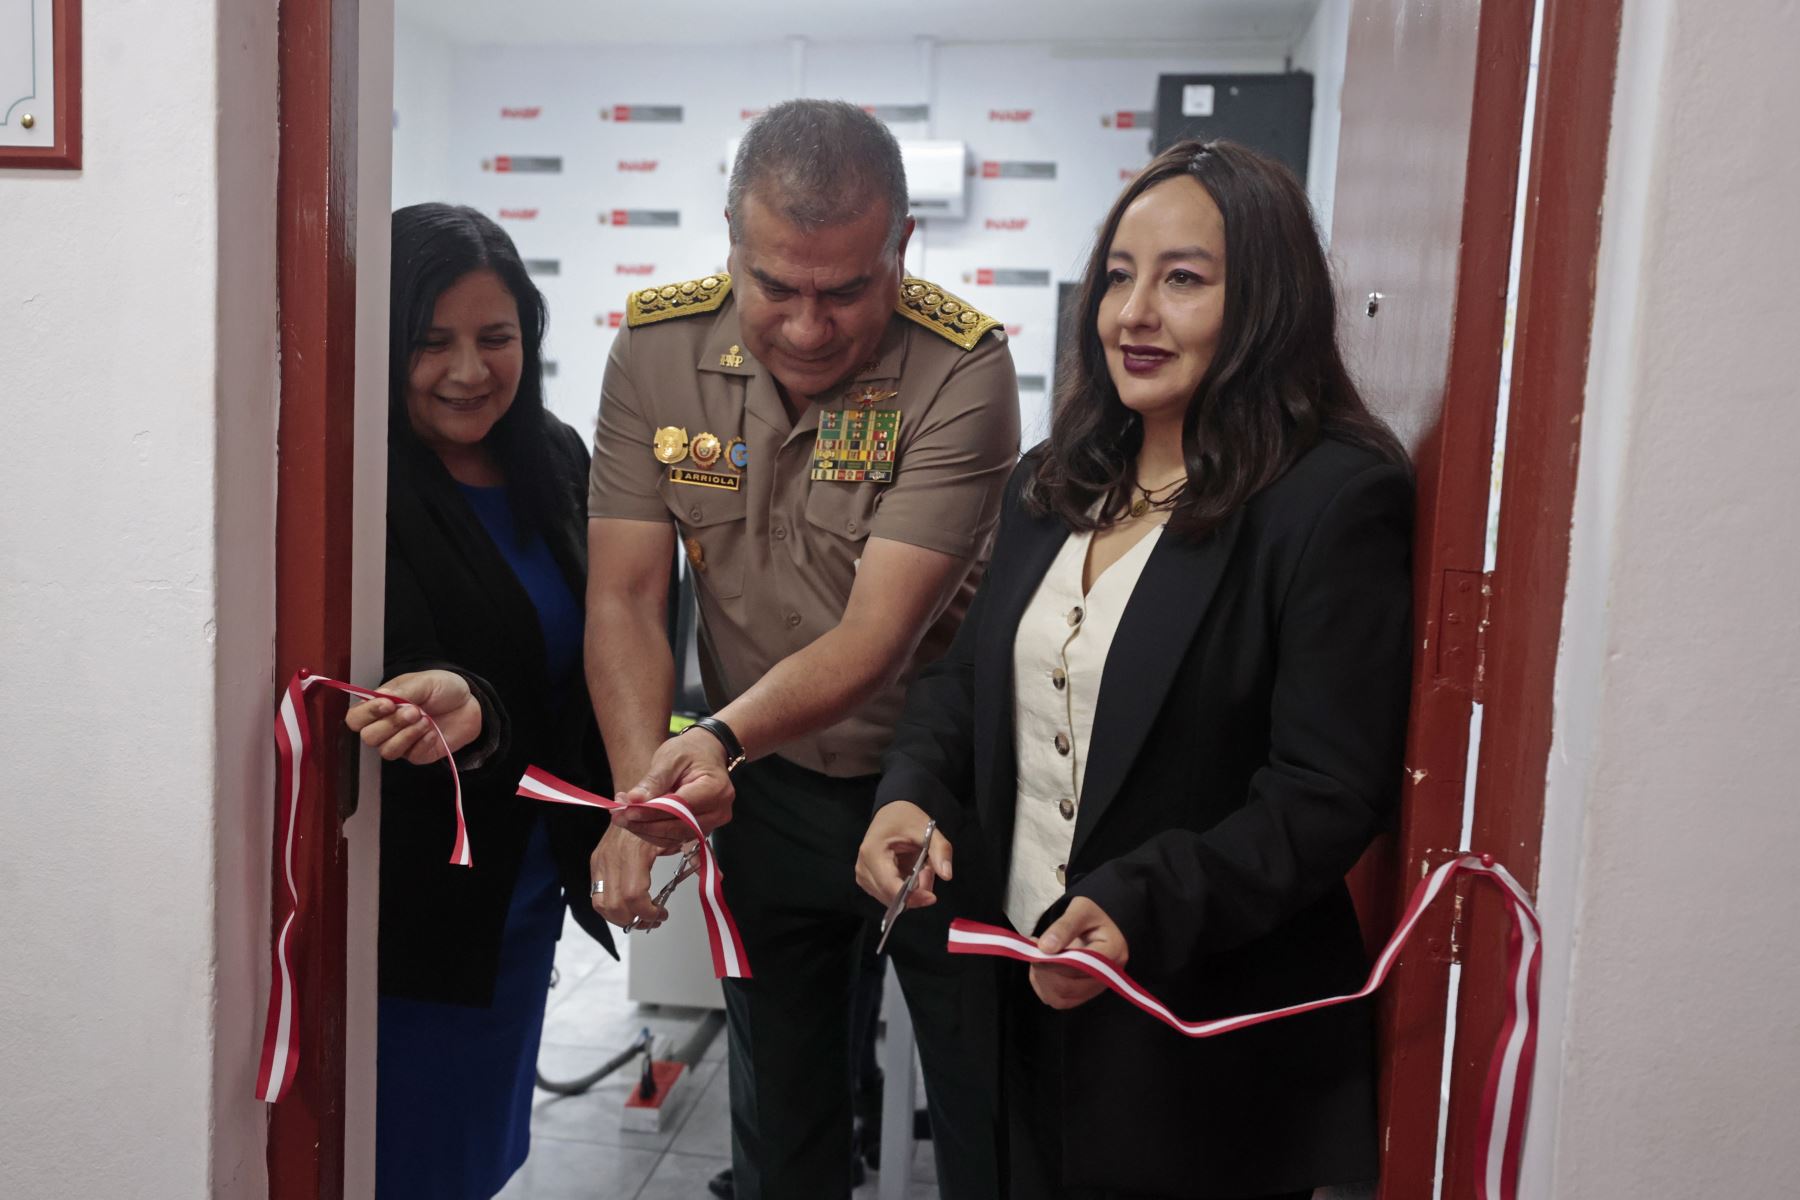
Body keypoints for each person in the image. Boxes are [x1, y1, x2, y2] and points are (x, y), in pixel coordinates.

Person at [856, 139, 1414, 1199]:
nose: (1133, 314)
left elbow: (1326, 792)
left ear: (1268, 302)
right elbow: (965, 689)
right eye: (1119, 275)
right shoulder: (1051, 481)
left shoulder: (1330, 501)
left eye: (1184, 280)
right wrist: (909, 797)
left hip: (1191, 1029)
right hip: (1015, 992)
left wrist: (1143, 906)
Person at [583, 99, 1020, 1200]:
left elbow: (879, 636)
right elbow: (629, 598)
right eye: (776, 286)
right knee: (783, 1123)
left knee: (993, 1114)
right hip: (766, 795)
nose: (809, 326)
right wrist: (645, 801)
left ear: (902, 252)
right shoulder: (653, 350)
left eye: (847, 289)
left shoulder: (963, 369)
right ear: (730, 244)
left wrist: (714, 740)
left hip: (938, 797)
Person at [345, 203, 618, 1199]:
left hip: (530, 881)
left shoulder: (552, 457)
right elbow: (400, 656)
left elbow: (600, 643)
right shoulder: (358, 474)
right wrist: (455, 701)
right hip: (421, 903)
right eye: (432, 342)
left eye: (495, 338)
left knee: (481, 1155)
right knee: (407, 1159)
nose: (469, 371)